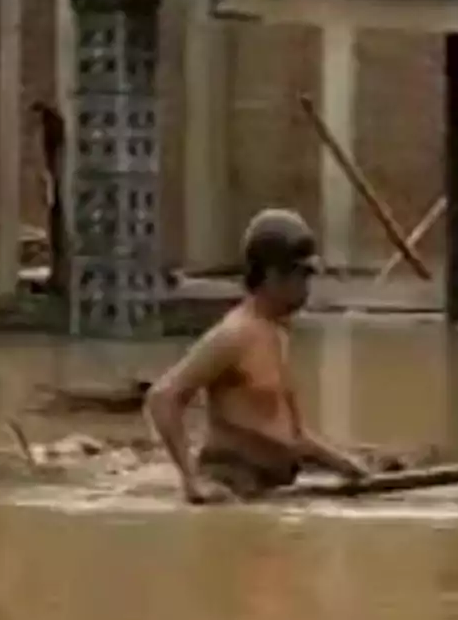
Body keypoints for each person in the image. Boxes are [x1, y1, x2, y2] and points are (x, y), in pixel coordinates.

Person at [144, 209, 371, 503]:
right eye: (302, 277)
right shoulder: (234, 335)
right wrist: (191, 481)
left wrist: (344, 464)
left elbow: (291, 436)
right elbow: (163, 397)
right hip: (232, 485)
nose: (307, 289)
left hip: (270, 490)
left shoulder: (277, 334)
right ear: (273, 275)